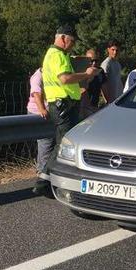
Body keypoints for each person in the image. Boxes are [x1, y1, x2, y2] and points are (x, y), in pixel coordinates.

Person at [35, 25, 98, 194]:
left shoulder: (55, 55)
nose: (73, 45)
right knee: (64, 142)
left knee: (63, 141)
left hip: (62, 104)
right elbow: (65, 79)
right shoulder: (58, 55)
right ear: (63, 38)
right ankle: (44, 181)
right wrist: (86, 74)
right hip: (63, 105)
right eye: (72, 41)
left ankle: (50, 180)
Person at [26, 67, 54, 188]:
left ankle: (44, 171)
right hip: (37, 112)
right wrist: (42, 109)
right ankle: (43, 175)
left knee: (49, 142)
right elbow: (36, 93)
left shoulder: (49, 74)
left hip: (49, 111)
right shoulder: (38, 76)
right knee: (46, 142)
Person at [80, 49, 113, 118]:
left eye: (96, 60)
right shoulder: (81, 71)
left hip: (94, 108)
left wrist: (109, 103)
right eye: (91, 61)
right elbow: (82, 91)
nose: (94, 63)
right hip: (83, 108)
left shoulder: (100, 72)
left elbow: (104, 88)